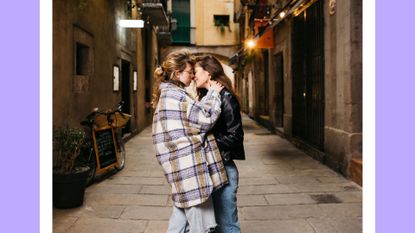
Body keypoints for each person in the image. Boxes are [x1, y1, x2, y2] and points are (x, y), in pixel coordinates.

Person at [151, 50, 228, 233]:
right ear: (177, 73)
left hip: (180, 168)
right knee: (200, 227)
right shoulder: (176, 96)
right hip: (189, 170)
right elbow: (204, 119)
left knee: (179, 222)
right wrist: (214, 95)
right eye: (189, 72)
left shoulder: (169, 94)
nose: (192, 75)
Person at [193, 55, 245, 233]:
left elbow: (236, 136)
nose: (193, 76)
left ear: (208, 73)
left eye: (196, 72)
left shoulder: (226, 97)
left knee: (227, 225)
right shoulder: (207, 97)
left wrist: (206, 141)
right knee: (213, 226)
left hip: (223, 168)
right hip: (209, 168)